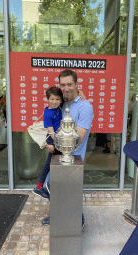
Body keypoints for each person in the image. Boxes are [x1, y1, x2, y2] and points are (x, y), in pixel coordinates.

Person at [41, 69, 94, 227]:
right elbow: (49, 115)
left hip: (73, 160)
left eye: (70, 84)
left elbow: (77, 138)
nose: (66, 88)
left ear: (76, 84)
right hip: (57, 155)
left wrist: (52, 142)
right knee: (50, 187)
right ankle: (58, 215)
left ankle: (80, 221)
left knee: (69, 193)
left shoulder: (85, 107)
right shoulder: (61, 102)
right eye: (63, 85)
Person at [33, 86, 63, 198]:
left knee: (51, 164)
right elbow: (50, 131)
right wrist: (58, 144)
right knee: (54, 164)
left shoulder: (60, 107)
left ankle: (40, 187)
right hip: (53, 139)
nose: (54, 102)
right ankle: (47, 185)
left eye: (57, 99)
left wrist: (80, 92)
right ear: (47, 99)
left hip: (57, 138)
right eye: (52, 99)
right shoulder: (48, 113)